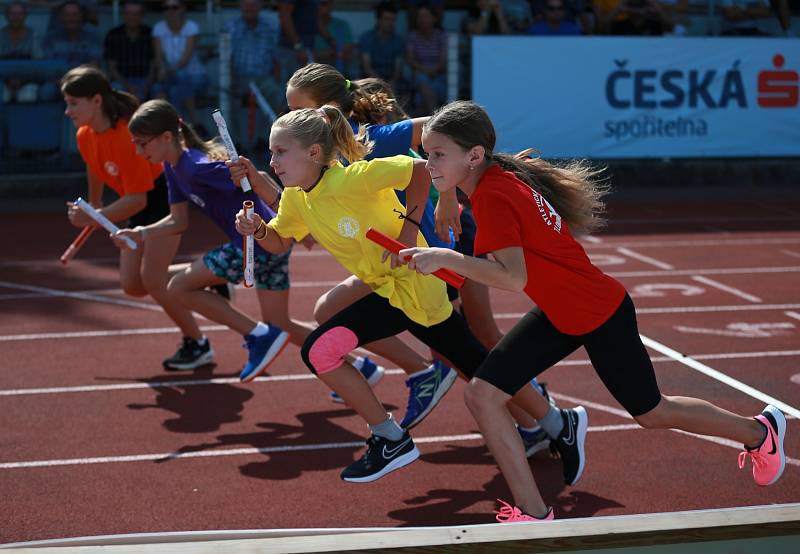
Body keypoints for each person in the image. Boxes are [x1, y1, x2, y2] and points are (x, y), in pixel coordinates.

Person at [399, 100, 787, 521]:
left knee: (652, 412)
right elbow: (472, 188)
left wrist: (443, 257)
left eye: (437, 154)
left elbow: (511, 278)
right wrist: (447, 196)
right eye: (426, 152)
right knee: (482, 394)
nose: (427, 162)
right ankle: (532, 512)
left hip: (599, 312)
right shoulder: (494, 176)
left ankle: (759, 431)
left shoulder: (494, 195)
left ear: (474, 156)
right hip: (560, 312)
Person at [231, 105, 568, 483]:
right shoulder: (296, 198)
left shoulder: (354, 178)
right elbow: (279, 241)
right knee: (477, 365)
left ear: (313, 153)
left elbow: (422, 170)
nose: (271, 160)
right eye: (271, 151)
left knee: (320, 349)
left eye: (280, 151)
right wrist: (258, 228)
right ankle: (557, 423)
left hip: (414, 284)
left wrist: (410, 226)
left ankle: (390, 437)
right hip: (392, 289)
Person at [113, 99, 363, 382]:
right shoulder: (173, 169)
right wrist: (140, 233)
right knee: (281, 324)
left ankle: (258, 337)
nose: (137, 150)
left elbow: (256, 180)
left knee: (179, 287)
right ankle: (362, 368)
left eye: (142, 143)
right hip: (267, 243)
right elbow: (178, 221)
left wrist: (292, 221)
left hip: (255, 241)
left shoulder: (198, 166)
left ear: (167, 137)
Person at [61, 66, 210, 371]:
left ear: (96, 101)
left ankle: (197, 343)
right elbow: (94, 165)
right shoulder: (85, 134)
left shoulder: (126, 136)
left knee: (153, 281)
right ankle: (207, 277)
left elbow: (139, 199)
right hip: (137, 204)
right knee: (132, 284)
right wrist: (94, 204)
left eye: (74, 103)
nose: (67, 111)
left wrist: (93, 218)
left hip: (161, 200)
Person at [225, 0, 283, 151]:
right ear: (240, 5)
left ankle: (265, 140)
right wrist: (230, 81)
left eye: (254, 3)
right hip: (239, 77)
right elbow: (226, 58)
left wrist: (276, 80)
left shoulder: (270, 27)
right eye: (246, 3)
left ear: (260, 6)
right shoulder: (230, 27)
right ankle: (236, 143)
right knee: (228, 97)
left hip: (264, 78)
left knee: (277, 93)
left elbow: (276, 57)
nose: (250, 7)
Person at [152, 0, 209, 127]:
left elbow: (185, 60)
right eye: (166, 7)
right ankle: (181, 126)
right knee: (157, 89)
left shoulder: (192, 27)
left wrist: (166, 72)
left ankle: (183, 126)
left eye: (174, 7)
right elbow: (159, 56)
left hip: (196, 77)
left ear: (183, 8)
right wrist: (161, 69)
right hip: (171, 78)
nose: (170, 11)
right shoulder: (158, 28)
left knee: (180, 81)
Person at [104, 0, 157, 100]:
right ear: (123, 15)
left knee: (158, 91)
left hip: (146, 80)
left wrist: (146, 85)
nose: (132, 17)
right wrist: (128, 86)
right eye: (128, 14)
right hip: (121, 80)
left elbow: (154, 65)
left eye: (136, 14)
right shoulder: (113, 35)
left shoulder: (150, 34)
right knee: (115, 90)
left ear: (142, 16)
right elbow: (111, 67)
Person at [0, 2, 39, 103]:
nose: (16, 17)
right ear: (6, 16)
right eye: (12, 14)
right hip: (3, 81)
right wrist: (8, 81)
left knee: (28, 96)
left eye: (19, 14)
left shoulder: (33, 35)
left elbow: (39, 63)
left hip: (27, 81)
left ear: (25, 16)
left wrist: (22, 81)